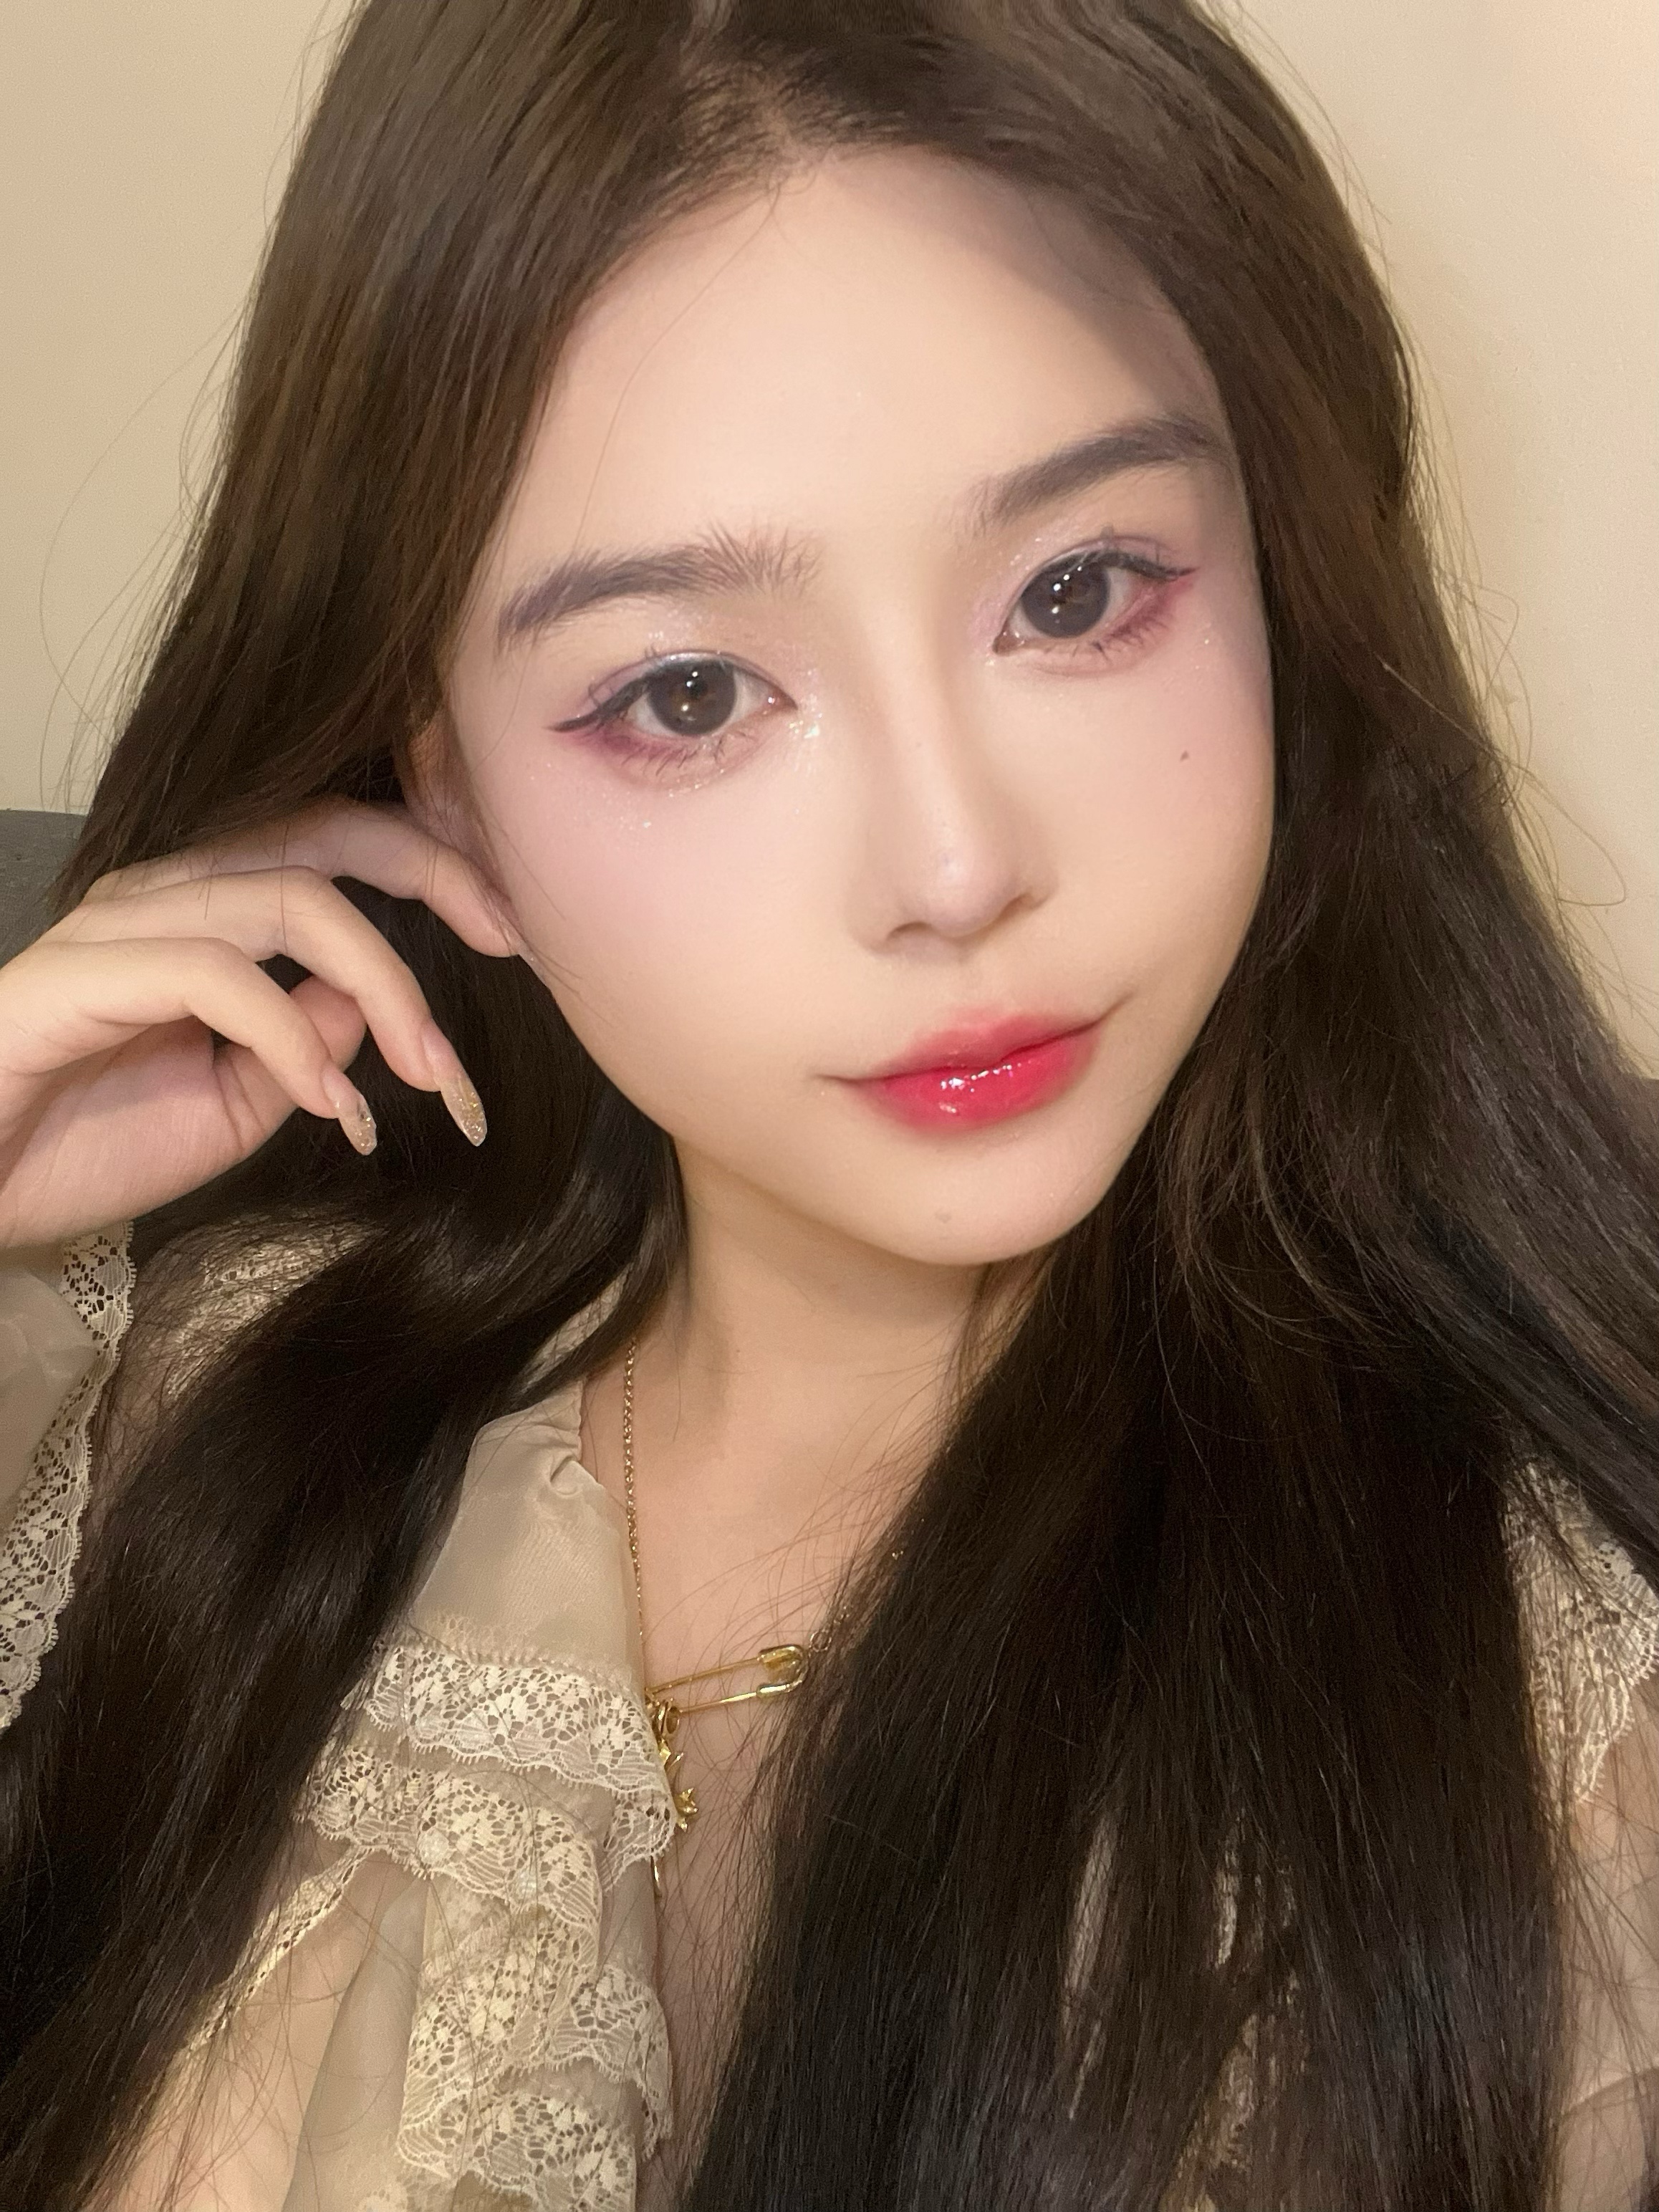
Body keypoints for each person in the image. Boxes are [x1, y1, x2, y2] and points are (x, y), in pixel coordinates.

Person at [1, 0, 1655, 2205]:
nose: (953, 869)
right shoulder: (186, 1416)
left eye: (1076, 592)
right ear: (439, 773)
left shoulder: (1555, 1707)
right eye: (689, 691)